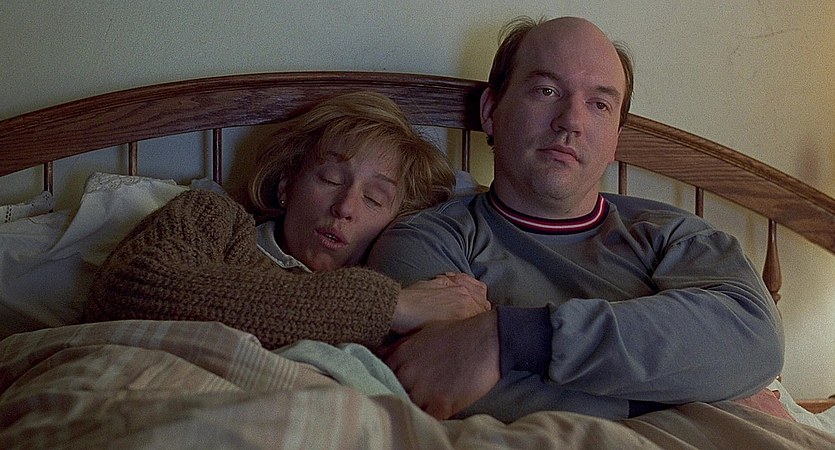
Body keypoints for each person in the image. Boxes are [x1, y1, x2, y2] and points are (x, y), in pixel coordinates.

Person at [367, 16, 784, 422]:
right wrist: (688, 396)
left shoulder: (675, 235)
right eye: (547, 91)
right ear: (492, 110)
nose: (571, 121)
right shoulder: (427, 238)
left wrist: (511, 338)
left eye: (599, 104)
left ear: (616, 138)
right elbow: (436, 374)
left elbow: (754, 338)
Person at [84, 91, 489, 349]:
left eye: (374, 198)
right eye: (330, 179)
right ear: (286, 185)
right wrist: (391, 307)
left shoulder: (408, 280)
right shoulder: (213, 217)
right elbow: (132, 288)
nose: (345, 206)